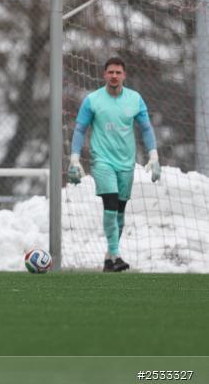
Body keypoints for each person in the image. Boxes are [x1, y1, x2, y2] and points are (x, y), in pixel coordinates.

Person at [67, 57, 160, 272]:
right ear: (104, 75)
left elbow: (146, 128)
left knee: (119, 211)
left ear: (124, 75)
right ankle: (117, 255)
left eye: (118, 72)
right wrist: (74, 158)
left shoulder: (135, 99)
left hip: (126, 163)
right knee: (109, 206)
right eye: (110, 72)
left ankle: (109, 259)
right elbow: (80, 129)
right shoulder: (92, 100)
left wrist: (153, 156)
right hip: (102, 161)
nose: (114, 76)